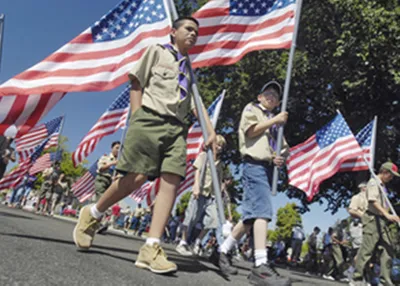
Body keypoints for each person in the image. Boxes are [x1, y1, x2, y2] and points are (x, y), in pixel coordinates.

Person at [73, 16, 217, 275]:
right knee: (136, 178)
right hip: (149, 120)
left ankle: (151, 247)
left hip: (177, 129)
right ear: (173, 32)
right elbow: (136, 82)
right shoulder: (157, 52)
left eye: (197, 31)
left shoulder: (190, 69)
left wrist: (210, 131)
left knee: (171, 181)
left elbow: (196, 102)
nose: (193, 34)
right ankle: (92, 213)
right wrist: (137, 116)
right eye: (189, 29)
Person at [215, 81, 291, 286]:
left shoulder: (275, 123)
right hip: (253, 165)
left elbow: (282, 148)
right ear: (259, 96)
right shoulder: (253, 109)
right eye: (268, 93)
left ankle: (222, 251)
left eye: (275, 96)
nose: (272, 97)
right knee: (263, 212)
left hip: (266, 167)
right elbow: (251, 131)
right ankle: (260, 265)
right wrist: (275, 119)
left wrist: (279, 156)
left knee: (249, 217)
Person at [175, 134, 227, 256]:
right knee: (191, 217)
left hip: (212, 195)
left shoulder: (220, 163)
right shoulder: (204, 156)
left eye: (221, 146)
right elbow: (197, 170)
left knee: (213, 219)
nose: (219, 147)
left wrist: (220, 193)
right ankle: (183, 242)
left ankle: (198, 241)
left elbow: (219, 179)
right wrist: (196, 185)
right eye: (217, 144)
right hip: (200, 192)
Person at [351, 162, 400, 286]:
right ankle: (357, 278)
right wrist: (387, 214)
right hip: (373, 219)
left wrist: (390, 216)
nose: (392, 178)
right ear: (384, 172)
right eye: (391, 175)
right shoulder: (374, 182)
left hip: (382, 221)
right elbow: (373, 201)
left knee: (388, 249)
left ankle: (385, 280)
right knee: (367, 249)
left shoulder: (383, 186)